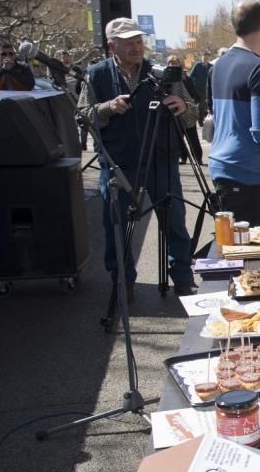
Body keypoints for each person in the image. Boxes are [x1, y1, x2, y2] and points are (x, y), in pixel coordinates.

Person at [77, 18, 198, 297]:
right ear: (112, 46)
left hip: (161, 160)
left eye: (138, 41)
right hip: (120, 163)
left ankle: (182, 277)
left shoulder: (161, 73)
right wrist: (108, 108)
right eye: (128, 42)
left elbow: (193, 112)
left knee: (175, 222)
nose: (135, 47)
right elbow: (82, 116)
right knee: (116, 226)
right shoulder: (96, 75)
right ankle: (122, 281)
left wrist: (183, 106)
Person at [209, 0, 260, 227]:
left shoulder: (218, 65)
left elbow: (225, 121)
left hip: (225, 169)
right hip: (244, 175)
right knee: (251, 257)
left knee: (231, 250)